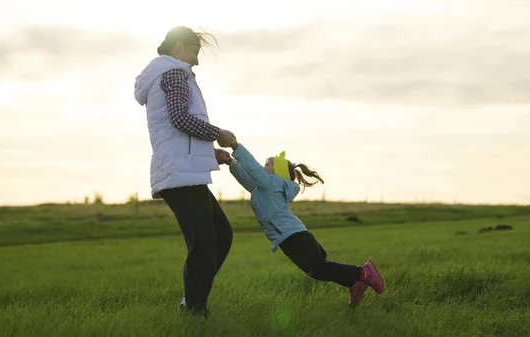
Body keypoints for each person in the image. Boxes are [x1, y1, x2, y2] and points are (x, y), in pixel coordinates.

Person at [134, 26, 237, 317]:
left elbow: (176, 126)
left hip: (182, 170)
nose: (197, 60)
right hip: (180, 173)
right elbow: (180, 118)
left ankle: (191, 302)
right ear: (179, 46)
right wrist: (218, 133)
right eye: (195, 51)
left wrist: (209, 150)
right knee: (205, 244)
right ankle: (193, 310)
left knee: (220, 235)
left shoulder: (166, 73)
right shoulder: (175, 72)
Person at [216, 142, 384, 307]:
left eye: (267, 164)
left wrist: (236, 146)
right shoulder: (264, 187)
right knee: (317, 270)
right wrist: (231, 162)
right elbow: (247, 178)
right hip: (293, 238)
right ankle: (355, 283)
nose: (263, 166)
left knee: (318, 269)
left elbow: (253, 169)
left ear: (277, 173)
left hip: (294, 237)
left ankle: (363, 273)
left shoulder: (272, 183)